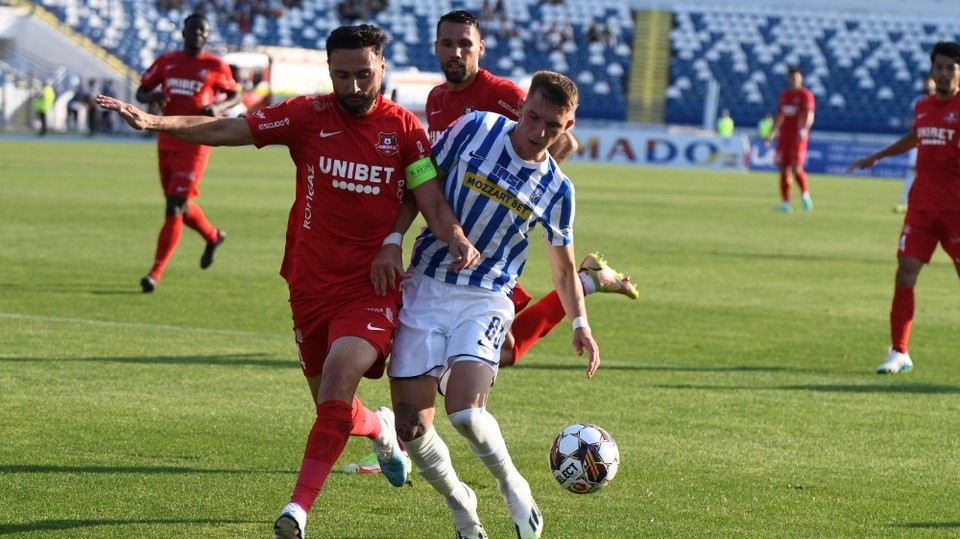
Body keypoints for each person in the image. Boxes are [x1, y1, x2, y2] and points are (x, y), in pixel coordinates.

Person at [98, 23, 479, 539]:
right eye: (342, 75)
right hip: (307, 282)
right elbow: (226, 129)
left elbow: (429, 199)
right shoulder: (306, 116)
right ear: (329, 71)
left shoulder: (405, 132)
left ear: (381, 69)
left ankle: (296, 511)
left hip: (370, 286)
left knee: (341, 381)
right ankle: (381, 427)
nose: (353, 86)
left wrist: (453, 235)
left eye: (363, 74)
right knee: (333, 407)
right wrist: (155, 121)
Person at [388, 70, 598, 539]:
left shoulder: (557, 189)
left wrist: (580, 320)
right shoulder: (474, 127)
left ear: (568, 127)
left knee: (464, 411)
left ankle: (511, 483)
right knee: (411, 429)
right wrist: (392, 238)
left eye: (553, 127)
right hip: (425, 283)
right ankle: (463, 505)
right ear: (521, 108)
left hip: (486, 296)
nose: (538, 133)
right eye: (533, 117)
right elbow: (421, 178)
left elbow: (562, 269)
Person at [423, 9, 637, 369]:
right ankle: (589, 281)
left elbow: (563, 142)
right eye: (448, 44)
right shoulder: (436, 98)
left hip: (490, 253)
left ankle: (584, 284)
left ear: (481, 48)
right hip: (450, 239)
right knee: (502, 351)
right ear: (436, 48)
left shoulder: (502, 94)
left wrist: (514, 193)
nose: (456, 53)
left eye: (465, 45)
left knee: (501, 352)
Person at [846, 41, 960, 375]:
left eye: (950, 68)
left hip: (957, 211)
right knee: (905, 272)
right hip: (922, 208)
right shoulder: (923, 106)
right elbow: (915, 136)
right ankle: (899, 351)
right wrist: (878, 156)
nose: (942, 74)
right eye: (938, 67)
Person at [134, 13, 241, 293]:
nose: (196, 34)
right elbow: (141, 91)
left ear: (207, 36)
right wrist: (153, 97)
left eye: (202, 31)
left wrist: (216, 109)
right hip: (167, 139)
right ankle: (213, 236)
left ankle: (154, 273)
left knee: (173, 206)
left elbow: (235, 95)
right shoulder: (167, 60)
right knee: (178, 204)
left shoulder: (215, 65)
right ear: (183, 32)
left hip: (196, 141)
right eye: (192, 30)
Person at [763, 65, 815, 213]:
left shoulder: (806, 95)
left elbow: (809, 116)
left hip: (797, 138)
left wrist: (803, 131)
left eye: (797, 78)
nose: (794, 80)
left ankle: (805, 195)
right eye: (792, 78)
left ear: (801, 79)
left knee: (796, 168)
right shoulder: (784, 95)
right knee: (783, 168)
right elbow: (779, 116)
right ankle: (785, 203)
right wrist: (771, 134)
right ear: (788, 79)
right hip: (784, 137)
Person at [894, 74, 936, 214]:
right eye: (925, 83)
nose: (926, 86)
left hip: (937, 141)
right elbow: (915, 120)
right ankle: (906, 202)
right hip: (920, 140)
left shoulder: (943, 100)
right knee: (913, 169)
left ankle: (930, 202)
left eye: (929, 83)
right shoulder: (918, 100)